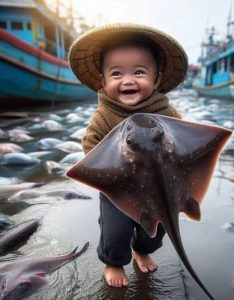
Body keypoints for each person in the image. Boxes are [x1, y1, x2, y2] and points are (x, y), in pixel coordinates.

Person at [68, 24, 188, 288]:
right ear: (103, 80)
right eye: (116, 73)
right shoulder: (104, 114)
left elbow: (183, 140)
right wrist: (112, 166)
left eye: (139, 72)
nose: (128, 80)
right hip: (117, 186)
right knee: (115, 229)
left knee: (155, 230)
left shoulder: (166, 112)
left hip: (156, 188)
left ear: (156, 79)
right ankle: (113, 261)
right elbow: (90, 144)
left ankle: (142, 249)